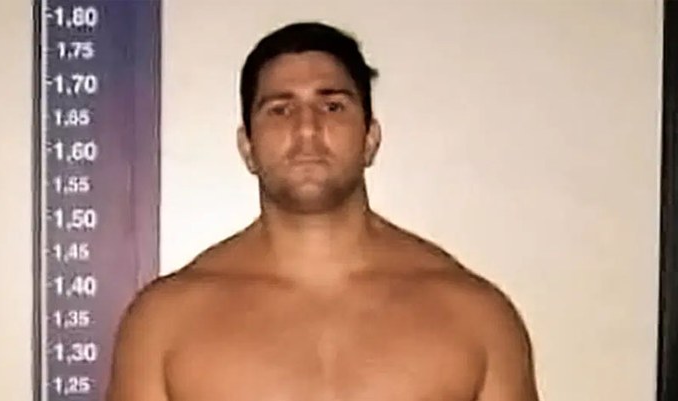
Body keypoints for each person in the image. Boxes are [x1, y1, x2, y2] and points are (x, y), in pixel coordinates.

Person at [106, 21, 540, 401]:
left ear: (370, 138)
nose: (307, 128)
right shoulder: (165, 323)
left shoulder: (475, 315)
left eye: (332, 106)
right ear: (247, 147)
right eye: (280, 109)